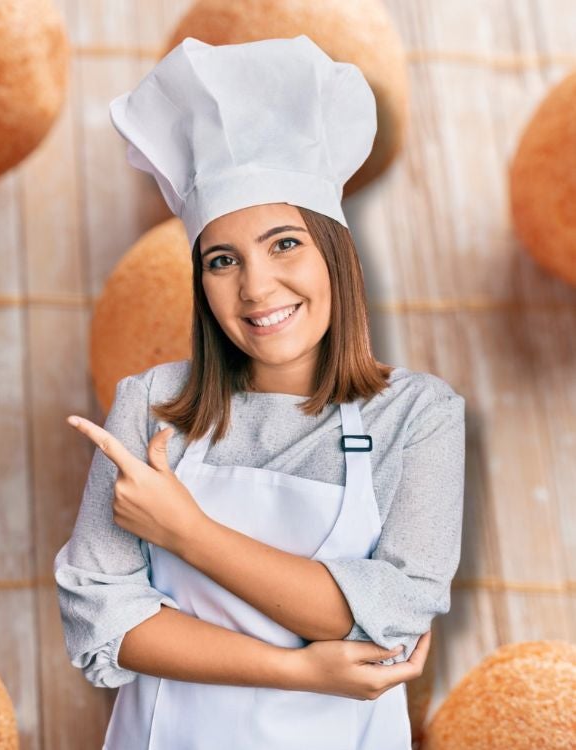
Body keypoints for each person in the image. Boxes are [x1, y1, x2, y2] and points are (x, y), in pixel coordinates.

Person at [53, 35, 466, 749]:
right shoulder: (150, 404)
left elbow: (388, 615)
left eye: (284, 244)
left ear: (335, 252)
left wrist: (188, 533)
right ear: (200, 281)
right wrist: (300, 671)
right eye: (222, 260)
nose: (256, 288)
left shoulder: (419, 417)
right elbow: (101, 621)